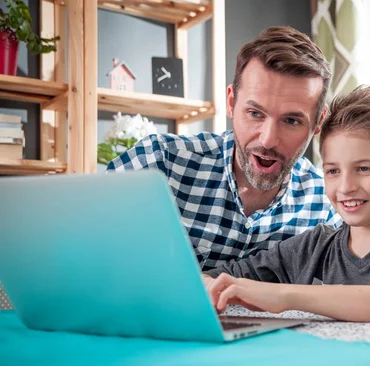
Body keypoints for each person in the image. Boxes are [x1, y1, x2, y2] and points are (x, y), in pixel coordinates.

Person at [204, 86, 370, 329]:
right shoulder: (314, 246)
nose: (346, 186)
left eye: (364, 168)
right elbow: (219, 280)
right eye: (333, 171)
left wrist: (286, 296)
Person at [106, 27, 341, 271]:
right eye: (255, 113)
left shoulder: (326, 202)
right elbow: (82, 256)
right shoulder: (157, 164)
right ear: (231, 103)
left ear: (317, 124)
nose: (269, 140)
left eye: (292, 121)